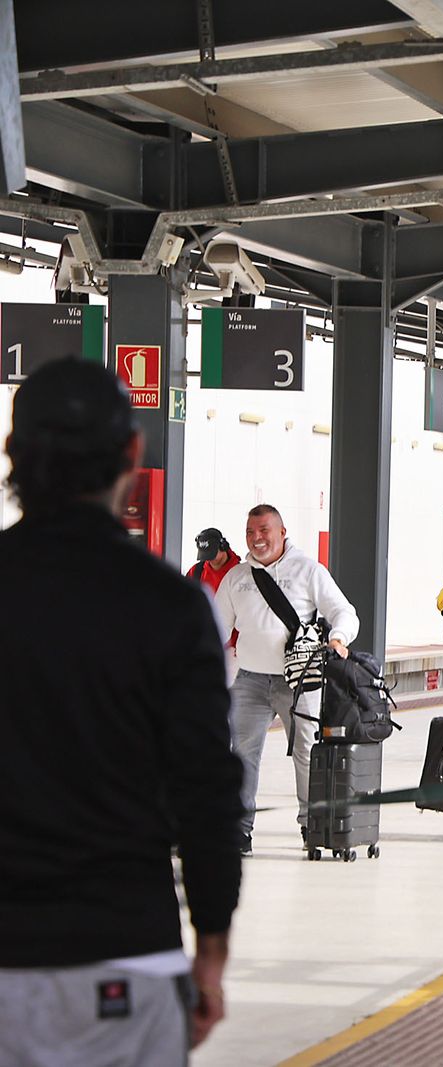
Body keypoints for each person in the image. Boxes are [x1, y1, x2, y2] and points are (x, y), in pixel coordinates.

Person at [0, 359, 242, 1060]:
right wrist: (213, 949)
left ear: (16, 457)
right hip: (126, 953)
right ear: (132, 455)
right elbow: (207, 790)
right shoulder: (172, 605)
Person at [216, 503, 358, 856]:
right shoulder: (237, 577)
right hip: (249, 679)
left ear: (282, 532)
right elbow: (213, 625)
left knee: (307, 754)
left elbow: (344, 611)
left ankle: (313, 826)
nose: (256, 538)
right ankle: (239, 830)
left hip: (299, 682)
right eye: (250, 532)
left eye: (264, 530)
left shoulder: (308, 570)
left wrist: (338, 636)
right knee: (242, 755)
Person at [189, 527, 243, 683]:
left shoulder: (239, 573)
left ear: (223, 547)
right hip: (203, 646)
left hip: (232, 650)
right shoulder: (197, 571)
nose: (210, 560)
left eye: (212, 554)